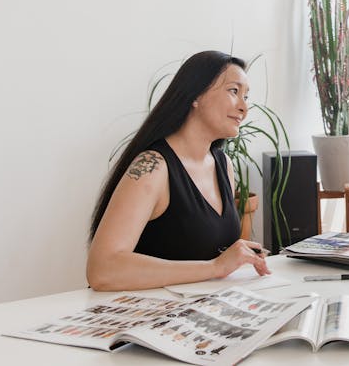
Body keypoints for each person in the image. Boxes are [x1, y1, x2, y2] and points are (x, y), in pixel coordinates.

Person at [86, 51, 270, 291]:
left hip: (205, 312)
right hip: (152, 319)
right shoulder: (152, 166)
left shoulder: (223, 164)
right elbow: (102, 270)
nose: (244, 107)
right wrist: (215, 267)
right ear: (195, 95)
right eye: (234, 91)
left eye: (246, 96)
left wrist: (239, 255)